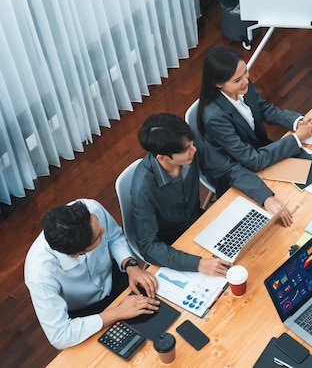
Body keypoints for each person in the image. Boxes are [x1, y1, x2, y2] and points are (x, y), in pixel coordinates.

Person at [131, 112, 293, 277]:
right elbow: (148, 246)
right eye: (186, 149)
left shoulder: (190, 147)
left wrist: (266, 197)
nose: (194, 149)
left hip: (201, 223)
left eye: (192, 143)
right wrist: (198, 263)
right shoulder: (142, 189)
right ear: (163, 158)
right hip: (173, 247)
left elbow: (229, 169)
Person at [24, 199, 159, 350]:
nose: (103, 230)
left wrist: (130, 265)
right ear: (76, 254)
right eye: (99, 236)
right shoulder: (40, 274)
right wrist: (118, 312)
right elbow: (60, 335)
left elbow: (115, 237)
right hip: (86, 314)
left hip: (116, 279)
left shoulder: (91, 208)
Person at [197, 45, 312, 171]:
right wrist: (297, 137)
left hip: (261, 153)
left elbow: (264, 109)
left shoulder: (243, 84)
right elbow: (253, 160)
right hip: (241, 170)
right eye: (237, 80)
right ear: (218, 84)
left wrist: (297, 122)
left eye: (245, 71)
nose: (246, 81)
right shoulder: (214, 118)